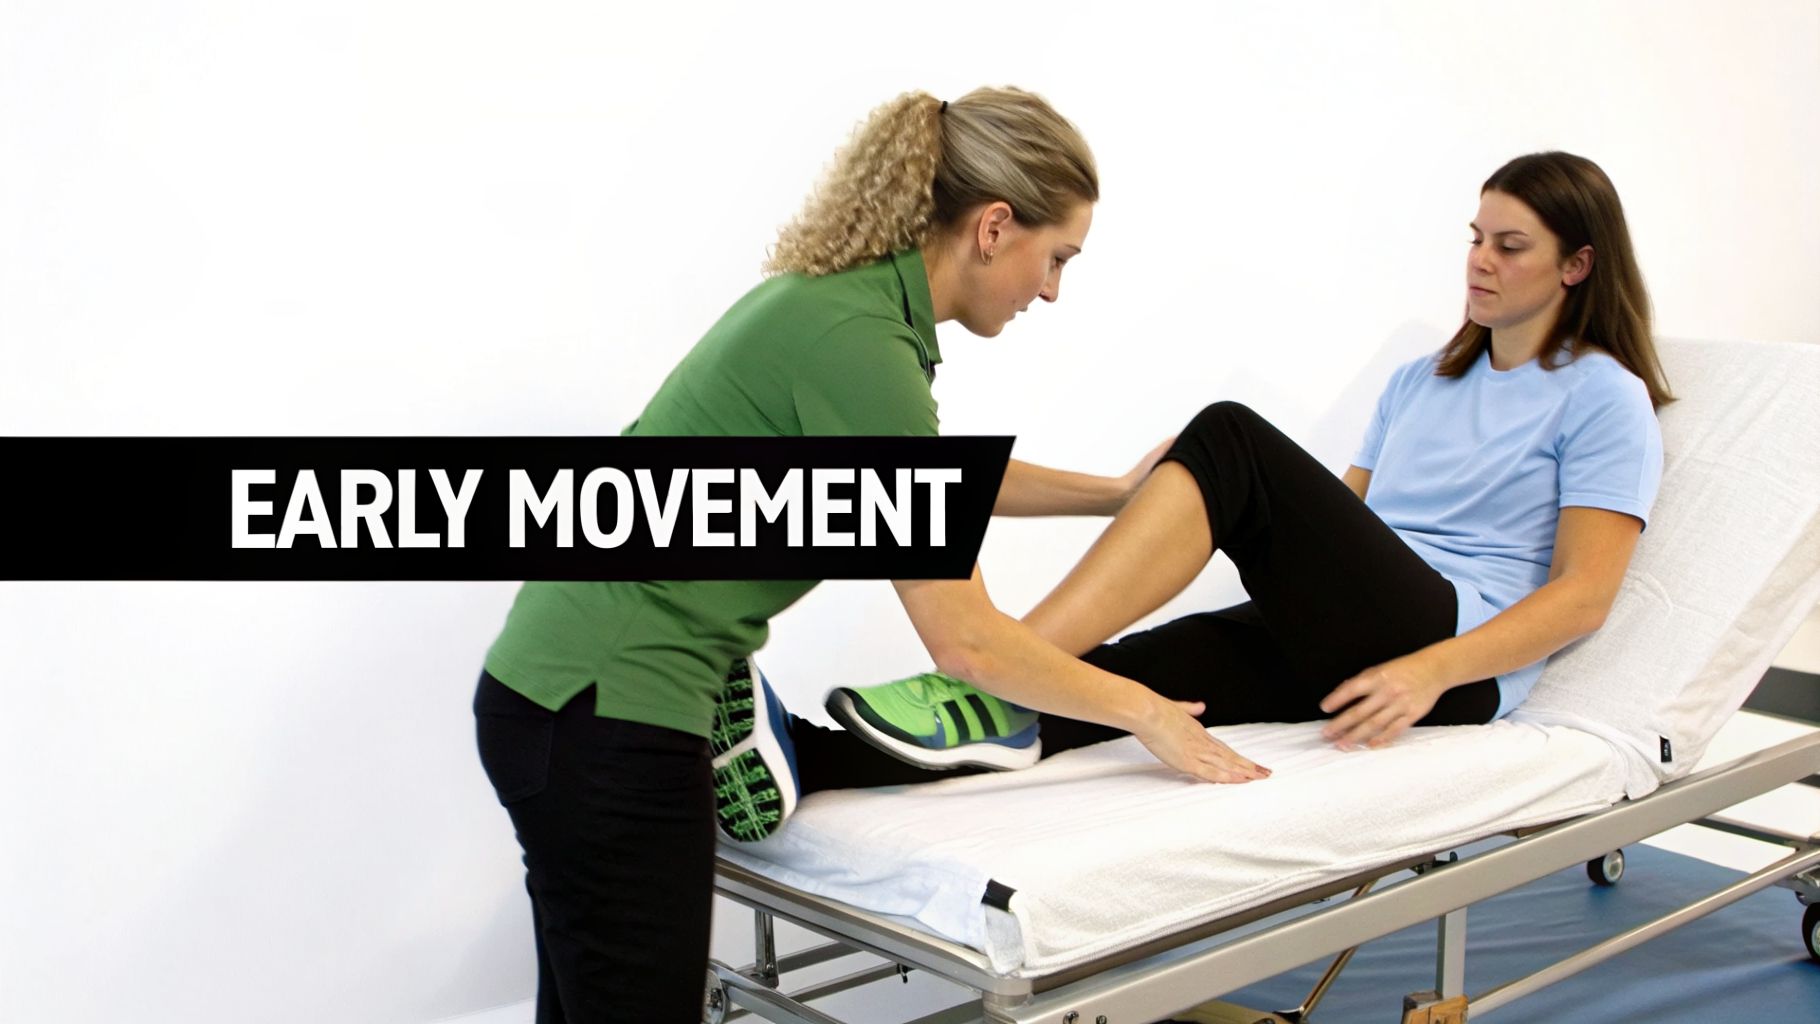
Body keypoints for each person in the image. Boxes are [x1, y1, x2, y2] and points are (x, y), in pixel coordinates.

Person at [472, 86, 1248, 1024]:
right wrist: (1148, 714)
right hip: (613, 714)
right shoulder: (860, 343)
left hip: (560, 699)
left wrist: (1113, 494)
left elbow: (927, 478)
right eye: (1057, 259)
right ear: (995, 226)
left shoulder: (842, 307)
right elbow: (970, 647)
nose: (1051, 291)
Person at [717, 150, 1672, 837]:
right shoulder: (1422, 381)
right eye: (1476, 238)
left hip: (1446, 653)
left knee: (1230, 438)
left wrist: (1433, 672)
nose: (1479, 261)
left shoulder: (1603, 396)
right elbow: (1339, 528)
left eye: (1511, 246)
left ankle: (1001, 655)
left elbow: (1583, 595)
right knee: (1119, 680)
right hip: (1361, 624)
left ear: (1576, 265)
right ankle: (803, 757)